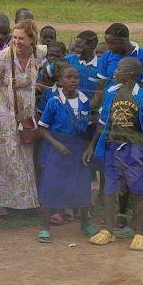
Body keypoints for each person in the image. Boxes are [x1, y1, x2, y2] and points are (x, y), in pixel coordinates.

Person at [86, 56, 143, 251]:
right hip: (112, 147)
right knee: (109, 188)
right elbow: (102, 123)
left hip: (136, 149)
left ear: (131, 74)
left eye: (119, 69)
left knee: (139, 191)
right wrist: (92, 146)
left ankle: (140, 233)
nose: (114, 72)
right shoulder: (111, 93)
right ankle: (108, 230)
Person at [0, 18, 42, 215]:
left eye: (21, 38)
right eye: (14, 37)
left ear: (32, 39)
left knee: (23, 153)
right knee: (3, 154)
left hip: (25, 112)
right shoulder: (4, 55)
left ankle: (22, 202)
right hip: (3, 110)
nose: (16, 42)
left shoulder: (39, 53)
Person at [36, 65, 95, 242]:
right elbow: (42, 128)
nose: (73, 81)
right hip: (58, 148)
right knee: (52, 184)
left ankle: (85, 223)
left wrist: (89, 147)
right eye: (68, 78)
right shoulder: (54, 102)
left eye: (75, 78)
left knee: (82, 185)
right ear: (60, 81)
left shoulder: (85, 101)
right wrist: (57, 145)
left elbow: (90, 128)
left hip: (79, 148)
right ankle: (45, 226)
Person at [94, 23, 143, 95]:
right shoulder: (107, 55)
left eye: (112, 44)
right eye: (107, 43)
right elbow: (101, 85)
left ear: (124, 41)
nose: (108, 47)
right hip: (110, 101)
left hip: (135, 101)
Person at [66, 32, 101, 99]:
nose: (76, 50)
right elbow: (49, 72)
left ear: (92, 47)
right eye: (76, 46)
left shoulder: (101, 66)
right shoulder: (68, 60)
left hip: (91, 108)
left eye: (80, 47)